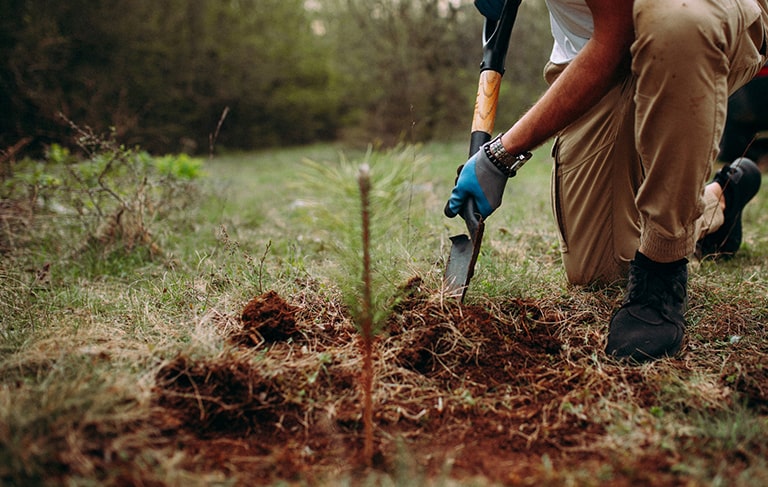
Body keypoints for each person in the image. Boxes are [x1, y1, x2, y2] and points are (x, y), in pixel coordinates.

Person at [445, 0, 768, 362]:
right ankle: (719, 199)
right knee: (600, 270)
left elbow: (615, 40)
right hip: (589, 55)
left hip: (696, 22)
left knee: (677, 22)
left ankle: (662, 272)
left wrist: (501, 155)